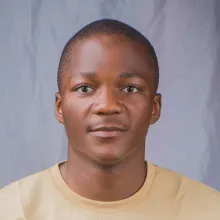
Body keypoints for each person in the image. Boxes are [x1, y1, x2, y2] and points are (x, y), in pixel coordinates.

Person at [0, 19, 219, 219]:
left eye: (130, 88)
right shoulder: (11, 210)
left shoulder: (208, 209)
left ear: (154, 108)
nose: (107, 105)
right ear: (59, 107)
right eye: (84, 88)